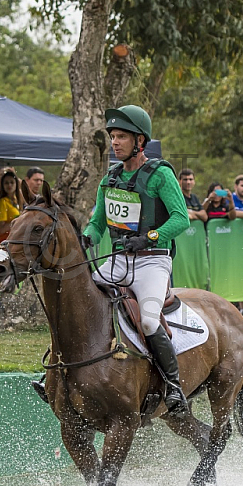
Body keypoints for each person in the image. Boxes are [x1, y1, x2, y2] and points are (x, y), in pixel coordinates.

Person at [82, 104, 190, 418]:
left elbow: (181, 219)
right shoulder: (111, 178)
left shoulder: (160, 174)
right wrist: (88, 235)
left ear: (139, 141)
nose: (115, 143)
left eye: (121, 137)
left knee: (148, 320)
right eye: (113, 136)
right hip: (117, 260)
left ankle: (173, 386)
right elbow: (97, 221)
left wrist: (151, 237)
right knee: (79, 301)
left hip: (152, 262)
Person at [0, 168, 23, 244]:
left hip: (17, 239)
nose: (9, 185)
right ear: (2, 185)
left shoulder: (17, 200)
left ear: (16, 184)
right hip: (6, 241)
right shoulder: (1, 202)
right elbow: (1, 229)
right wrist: (19, 220)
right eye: (6, 183)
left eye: (12, 182)